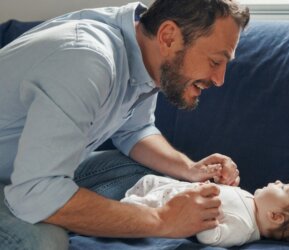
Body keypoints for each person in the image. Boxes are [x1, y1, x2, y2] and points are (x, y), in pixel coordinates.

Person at [0, 0, 250, 249]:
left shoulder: (144, 51)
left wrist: (189, 169)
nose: (220, 80)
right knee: (44, 243)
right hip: (27, 184)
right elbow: (35, 191)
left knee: (142, 173)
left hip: (25, 171)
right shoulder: (87, 61)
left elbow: (133, 130)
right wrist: (162, 220)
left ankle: (65, 208)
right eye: (216, 62)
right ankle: (59, 211)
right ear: (169, 37)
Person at [121, 174, 289, 247]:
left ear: (275, 216)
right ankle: (125, 200)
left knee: (136, 206)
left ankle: (124, 208)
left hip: (166, 206)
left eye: (284, 188)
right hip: (175, 190)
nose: (278, 182)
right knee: (149, 181)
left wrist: (211, 212)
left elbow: (210, 238)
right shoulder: (252, 202)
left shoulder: (243, 227)